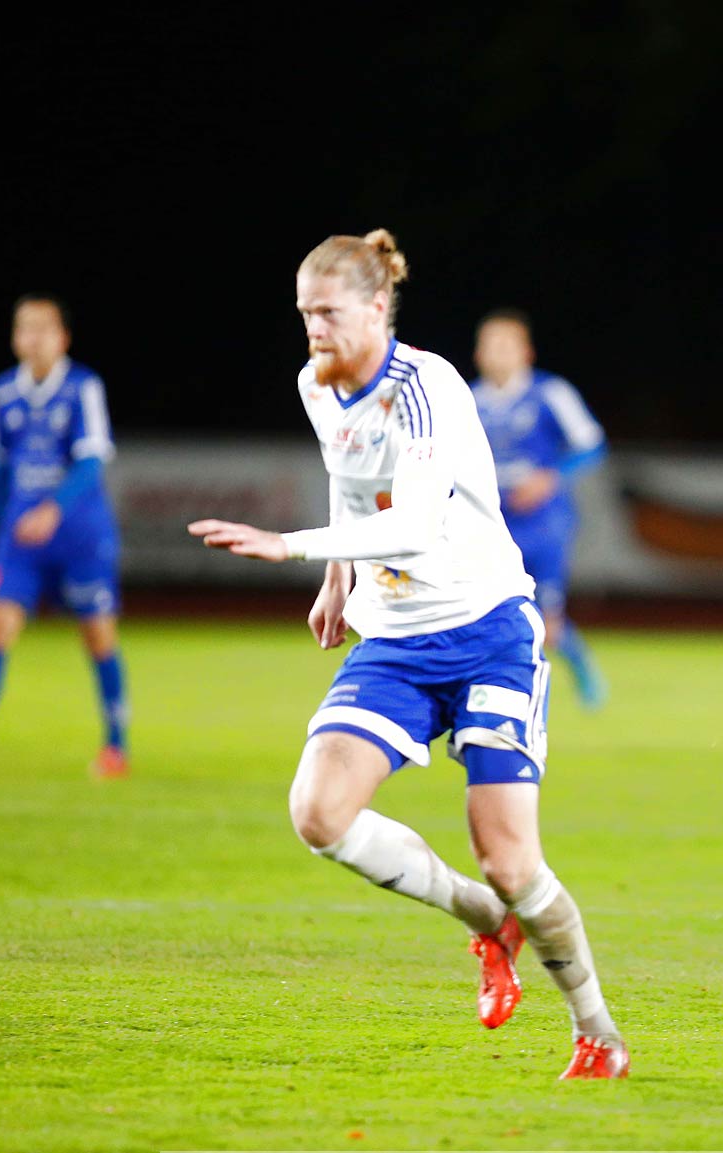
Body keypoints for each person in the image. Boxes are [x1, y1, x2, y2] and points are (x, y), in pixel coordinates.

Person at [188, 230, 627, 1079]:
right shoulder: (317, 384)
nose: (314, 328)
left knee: (509, 857)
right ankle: (482, 922)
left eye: (329, 311)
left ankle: (598, 1030)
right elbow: (351, 483)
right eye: (304, 313)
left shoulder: (426, 387)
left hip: (487, 630)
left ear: (377, 306)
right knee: (317, 812)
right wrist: (338, 578)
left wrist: (292, 550)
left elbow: (418, 524)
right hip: (393, 637)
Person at [0, 294, 128, 778]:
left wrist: (54, 508)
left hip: (79, 534)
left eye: (43, 328)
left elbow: (93, 457)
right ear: (15, 337)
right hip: (20, 535)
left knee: (99, 638)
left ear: (63, 338)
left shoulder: (82, 388)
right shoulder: (2, 394)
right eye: (24, 328)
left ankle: (115, 746)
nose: (32, 338)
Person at [471, 310, 608, 708]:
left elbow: (591, 444)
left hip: (544, 522)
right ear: (479, 353)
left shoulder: (551, 393)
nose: (497, 353)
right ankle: (497, 691)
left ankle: (580, 672)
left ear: (525, 352)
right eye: (489, 345)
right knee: (487, 609)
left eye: (506, 345)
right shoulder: (467, 398)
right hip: (491, 523)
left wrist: (549, 477)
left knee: (547, 621)